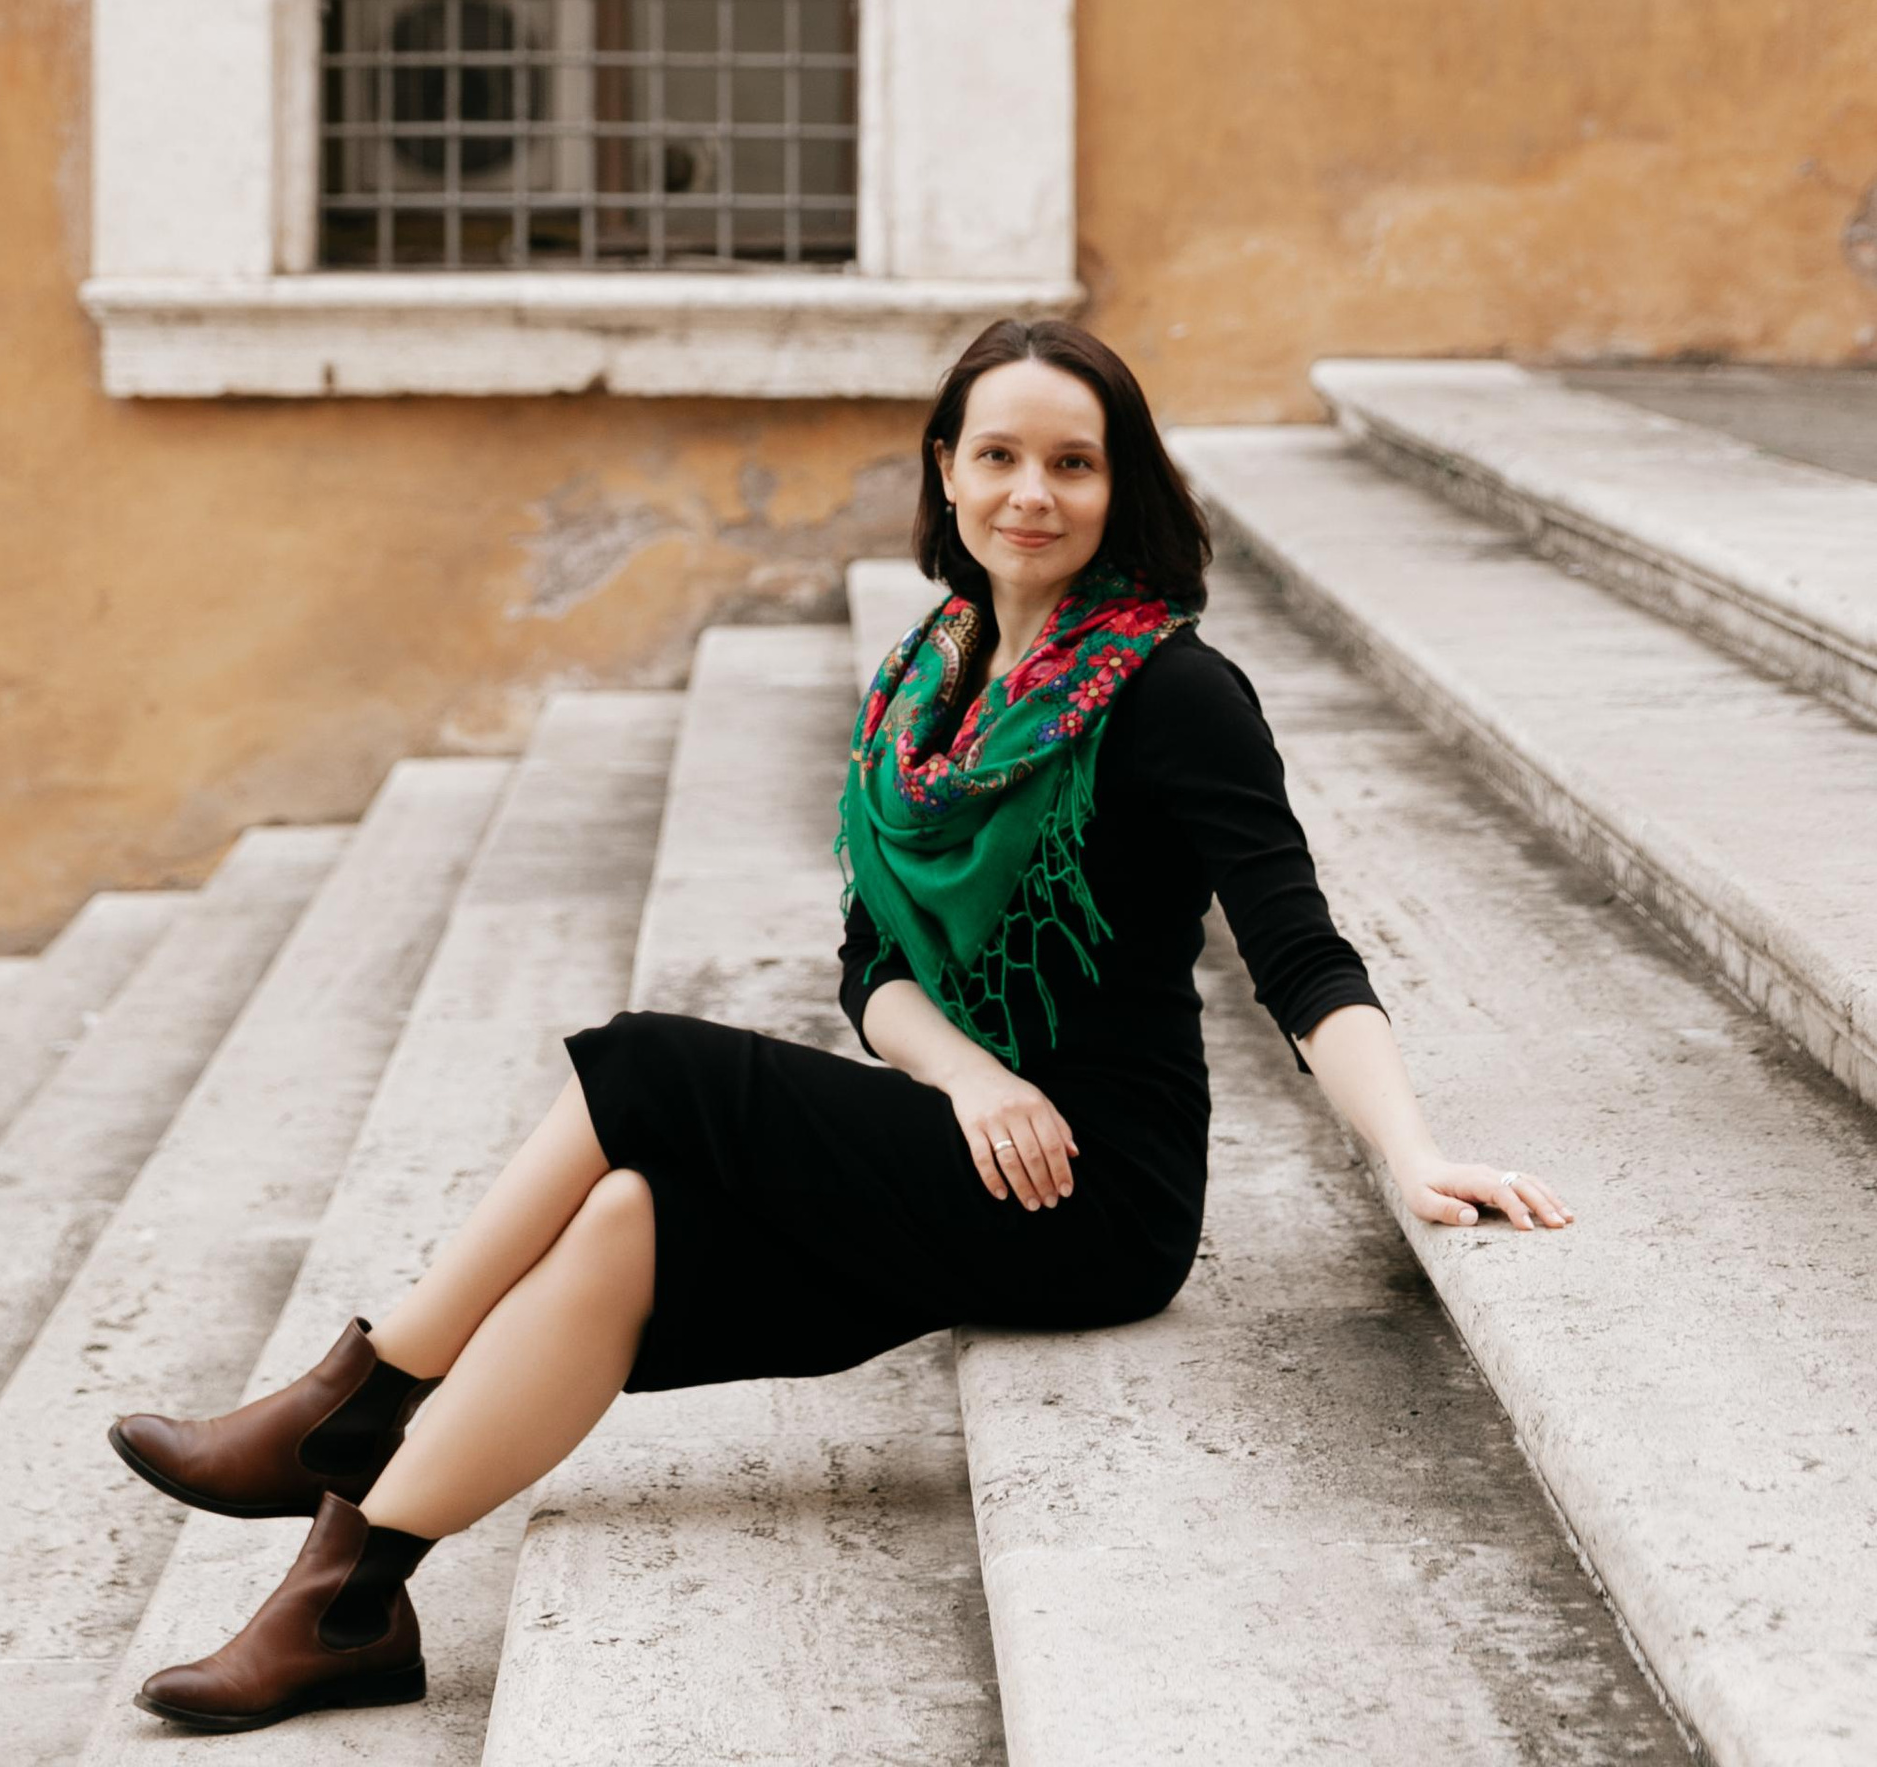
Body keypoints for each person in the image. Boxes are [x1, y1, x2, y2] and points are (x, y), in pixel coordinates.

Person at [107, 317, 1572, 1731]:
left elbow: (1297, 947)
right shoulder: (928, 686)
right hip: (959, 1139)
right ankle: (352, 1600)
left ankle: (352, 1406)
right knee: (624, 1213)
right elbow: (872, 961)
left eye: (1074, 463)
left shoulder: (1174, 693)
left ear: (1122, 486)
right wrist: (973, 1073)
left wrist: (1411, 1151)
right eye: (999, 456)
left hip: (1097, 1195)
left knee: (646, 1065)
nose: (1032, 494)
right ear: (944, 467)